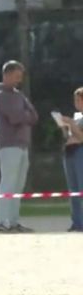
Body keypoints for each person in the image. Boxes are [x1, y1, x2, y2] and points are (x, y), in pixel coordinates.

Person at [0, 60, 38, 233]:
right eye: (17, 76)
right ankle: (2, 222)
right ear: (7, 75)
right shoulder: (0, 95)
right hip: (8, 144)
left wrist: (23, 114)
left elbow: (34, 115)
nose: (19, 80)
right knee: (8, 183)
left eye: (21, 77)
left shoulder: (19, 95)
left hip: (22, 145)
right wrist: (23, 115)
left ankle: (13, 221)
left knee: (18, 185)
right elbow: (15, 117)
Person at [57, 87, 83, 232]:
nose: (76, 103)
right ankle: (77, 222)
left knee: (81, 188)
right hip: (70, 152)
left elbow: (81, 137)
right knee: (73, 190)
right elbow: (69, 137)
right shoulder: (77, 117)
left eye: (79, 100)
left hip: (80, 152)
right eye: (75, 100)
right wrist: (64, 127)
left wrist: (72, 124)